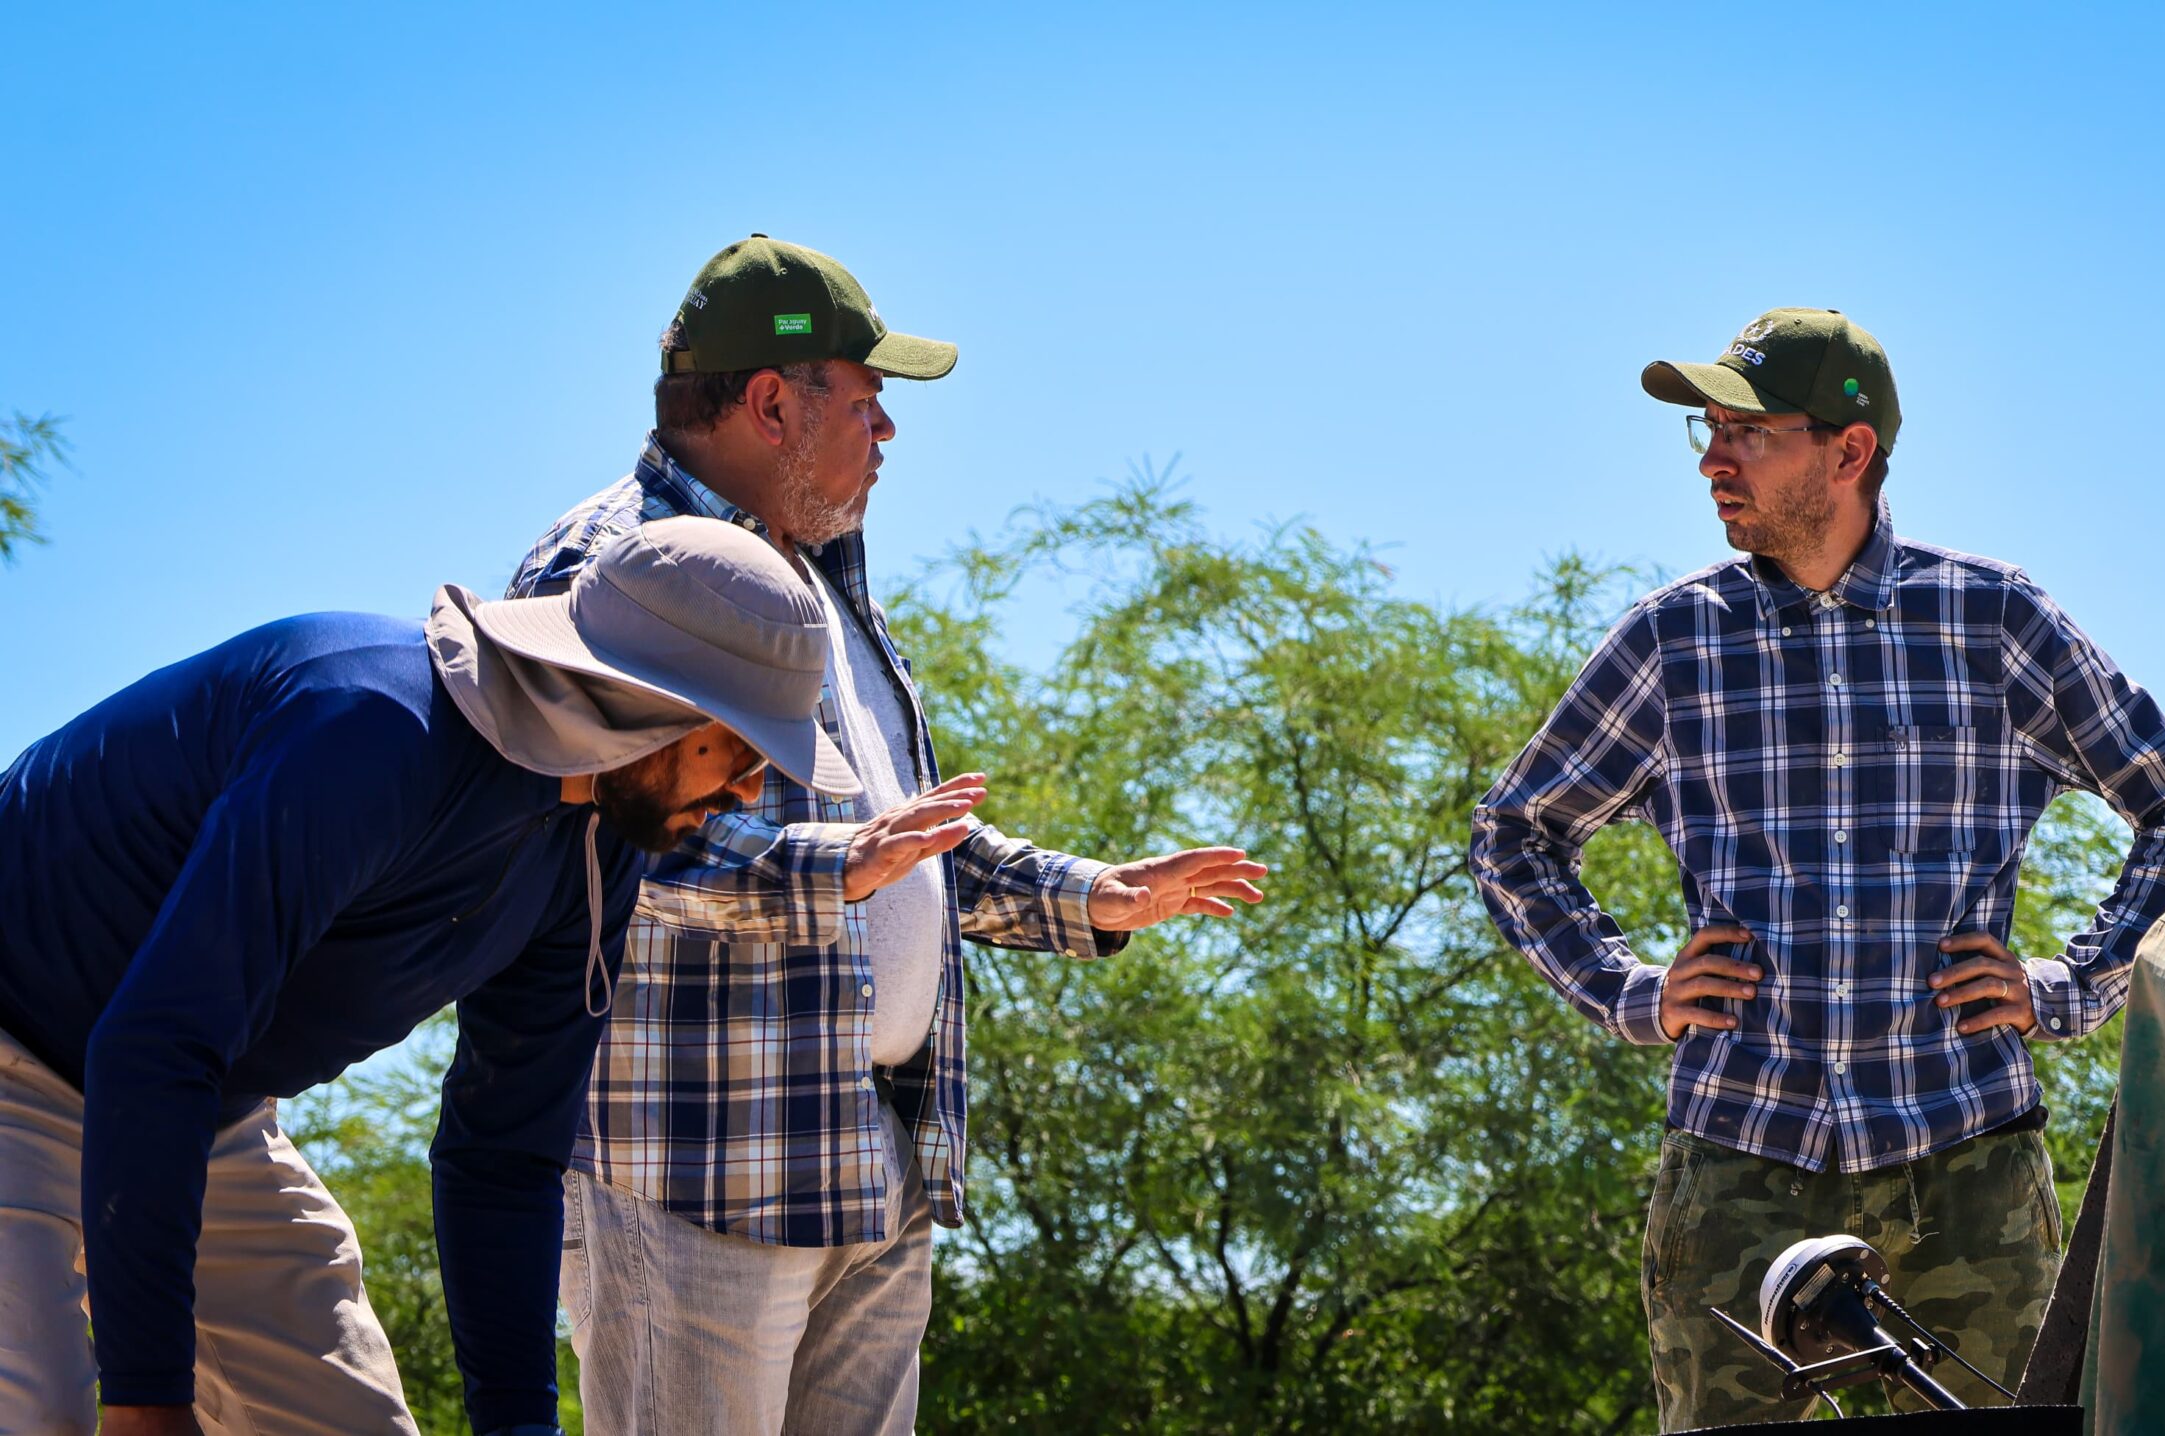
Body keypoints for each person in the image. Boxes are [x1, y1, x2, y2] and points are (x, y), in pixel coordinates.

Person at [511, 234, 1269, 1435]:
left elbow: (901, 843)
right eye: (867, 400)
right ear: (771, 403)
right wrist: (840, 868)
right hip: (698, 1172)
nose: (888, 433)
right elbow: (598, 837)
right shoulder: (611, 566)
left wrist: (1092, 894)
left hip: (869, 1150)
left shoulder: (818, 575)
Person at [1468, 307, 2165, 1428]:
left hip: (1963, 1168)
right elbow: (1514, 832)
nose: (1715, 460)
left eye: (1748, 431)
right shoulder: (1671, 640)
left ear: (1849, 449)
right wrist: (1632, 992)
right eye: (1706, 435)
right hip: (1735, 1167)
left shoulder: (1993, 617)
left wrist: (2067, 987)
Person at [0, 516, 860, 1436]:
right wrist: (144, 1397)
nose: (751, 789)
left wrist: (519, 1424)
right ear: (648, 700)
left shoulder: (602, 850)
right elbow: (154, 1043)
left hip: (199, 1107)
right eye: (741, 748)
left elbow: (504, 1159)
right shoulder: (368, 728)